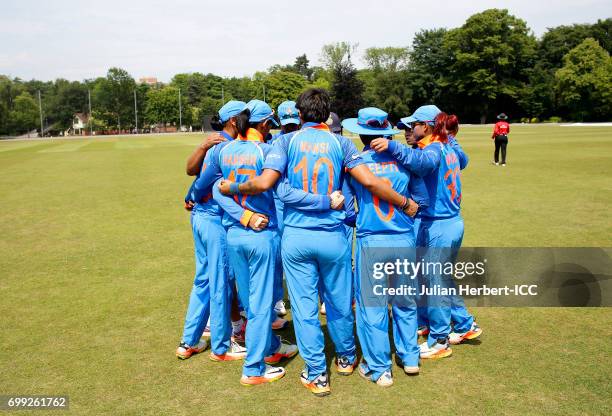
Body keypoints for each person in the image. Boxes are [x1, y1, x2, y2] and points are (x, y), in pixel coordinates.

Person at [218, 88, 417, 396]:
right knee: (339, 303)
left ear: (299, 115)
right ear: (327, 115)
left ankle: (316, 373)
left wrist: (233, 187)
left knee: (305, 308)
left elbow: (273, 187)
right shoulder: (342, 143)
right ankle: (347, 357)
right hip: (334, 237)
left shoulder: (285, 141)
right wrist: (403, 203)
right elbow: (368, 181)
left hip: (297, 237)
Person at [193, 100, 298, 386]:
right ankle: (254, 369)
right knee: (263, 301)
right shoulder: (268, 150)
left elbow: (209, 186)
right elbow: (284, 192)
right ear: (264, 125)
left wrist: (240, 214)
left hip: (233, 234)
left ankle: (269, 349)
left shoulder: (222, 150)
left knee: (251, 301)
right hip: (263, 233)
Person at [371, 105, 482, 359]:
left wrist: (392, 147)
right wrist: (447, 136)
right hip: (449, 222)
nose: (410, 130)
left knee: (435, 283)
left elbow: (422, 163)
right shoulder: (449, 146)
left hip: (439, 224)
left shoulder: (433, 149)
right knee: (439, 279)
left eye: (414, 125)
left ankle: (440, 340)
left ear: (427, 126)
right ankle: (464, 324)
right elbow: (461, 160)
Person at [341, 107, 428, 387]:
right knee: (404, 301)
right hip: (403, 238)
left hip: (372, 240)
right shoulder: (404, 160)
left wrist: (362, 217)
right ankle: (410, 358)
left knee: (372, 307)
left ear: (361, 132)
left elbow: (346, 209)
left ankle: (379, 369)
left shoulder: (356, 162)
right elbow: (420, 201)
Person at [176, 101, 249, 361]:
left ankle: (189, 341)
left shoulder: (218, 142)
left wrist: (192, 194)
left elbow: (194, 172)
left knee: (204, 280)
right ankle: (221, 346)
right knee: (220, 282)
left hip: (200, 218)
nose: (247, 120)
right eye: (244, 116)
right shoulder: (227, 145)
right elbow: (202, 177)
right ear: (233, 120)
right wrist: (193, 193)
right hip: (214, 219)